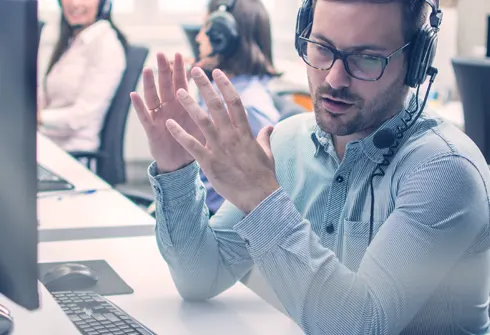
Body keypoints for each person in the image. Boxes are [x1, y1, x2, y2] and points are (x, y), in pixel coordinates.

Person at [132, 0, 490, 334]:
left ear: (415, 64)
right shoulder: (289, 143)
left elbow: (360, 325)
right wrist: (175, 168)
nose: (334, 79)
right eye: (321, 48)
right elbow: (200, 277)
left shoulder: (445, 170)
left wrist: (262, 200)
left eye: (366, 58)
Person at [152, 0, 281, 215]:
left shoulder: (249, 110)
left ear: (222, 38)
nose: (198, 38)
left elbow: (232, 200)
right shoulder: (219, 90)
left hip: (214, 222)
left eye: (205, 29)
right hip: (196, 210)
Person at [38, 0, 127, 152]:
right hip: (48, 145)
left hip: (71, 153)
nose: (75, 3)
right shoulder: (72, 42)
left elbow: (82, 116)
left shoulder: (106, 45)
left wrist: (39, 118)